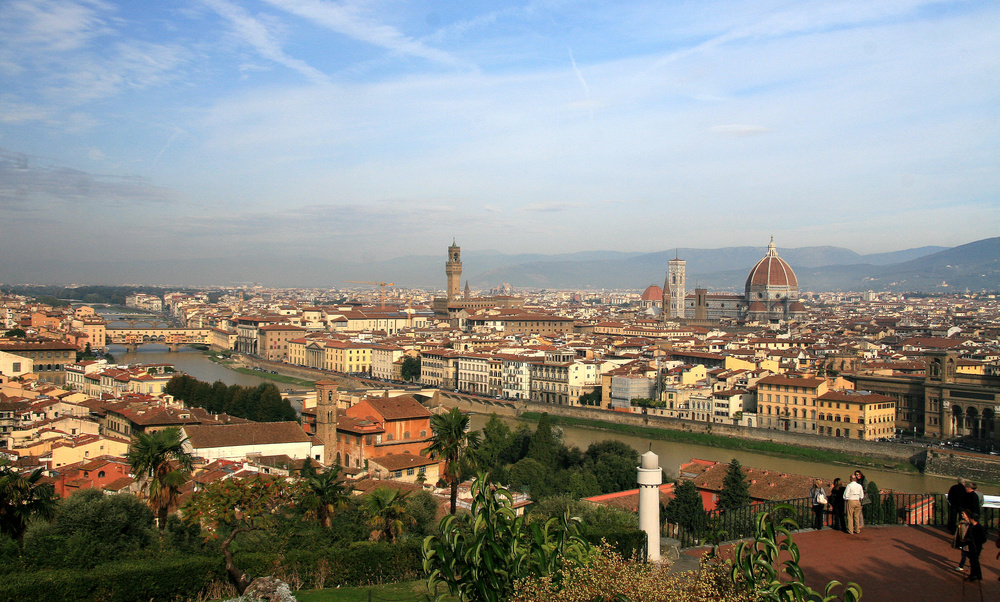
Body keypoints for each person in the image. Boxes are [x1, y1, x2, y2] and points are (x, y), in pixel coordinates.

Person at [961, 510, 987, 581]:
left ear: (973, 519)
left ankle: (973, 575)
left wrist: (975, 541)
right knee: (974, 561)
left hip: (976, 547)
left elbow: (983, 539)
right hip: (971, 546)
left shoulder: (979, 528)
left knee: (974, 561)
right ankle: (978, 575)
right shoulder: (971, 526)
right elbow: (968, 535)